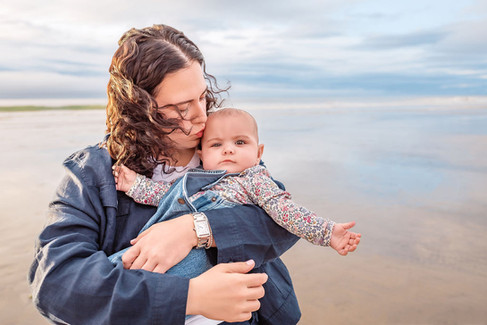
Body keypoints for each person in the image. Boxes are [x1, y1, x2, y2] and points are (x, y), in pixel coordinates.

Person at [28, 24, 301, 325]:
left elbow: (282, 222)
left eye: (202, 97)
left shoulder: (220, 149)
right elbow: (55, 284)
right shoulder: (92, 175)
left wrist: (195, 229)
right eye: (181, 108)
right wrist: (190, 296)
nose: (201, 116)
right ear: (138, 109)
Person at [110, 108, 361, 282]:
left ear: (259, 151)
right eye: (216, 145)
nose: (228, 150)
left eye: (240, 142)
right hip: (156, 245)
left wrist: (327, 232)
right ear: (202, 153)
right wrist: (133, 184)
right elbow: (165, 195)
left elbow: (285, 211)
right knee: (118, 269)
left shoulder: (255, 180)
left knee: (129, 285)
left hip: (201, 259)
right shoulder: (196, 179)